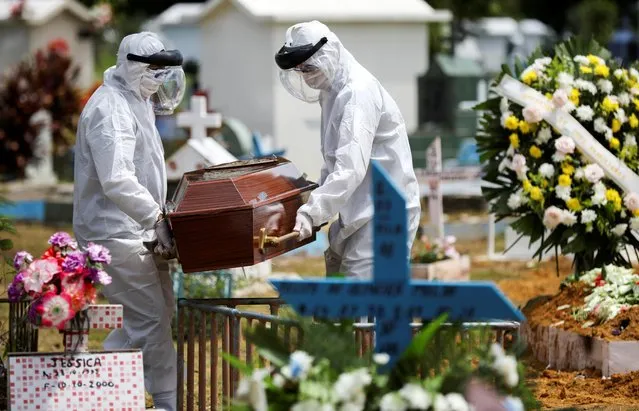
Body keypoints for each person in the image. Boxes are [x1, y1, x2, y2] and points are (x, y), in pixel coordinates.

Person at [72, 32, 186, 411]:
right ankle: (169, 403)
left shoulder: (136, 101)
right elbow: (117, 179)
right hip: (114, 233)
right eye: (153, 72)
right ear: (132, 66)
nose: (158, 81)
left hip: (138, 229)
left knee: (157, 315)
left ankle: (94, 390)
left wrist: (159, 217)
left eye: (163, 73)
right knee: (151, 321)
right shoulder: (110, 109)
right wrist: (156, 217)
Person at [275, 21, 421, 279]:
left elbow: (350, 169)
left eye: (308, 67)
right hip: (360, 211)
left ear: (327, 53)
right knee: (341, 293)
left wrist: (312, 212)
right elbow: (334, 159)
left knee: (360, 305)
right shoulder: (332, 90)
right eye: (300, 70)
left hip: (383, 215)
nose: (306, 76)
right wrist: (309, 196)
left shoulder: (357, 93)